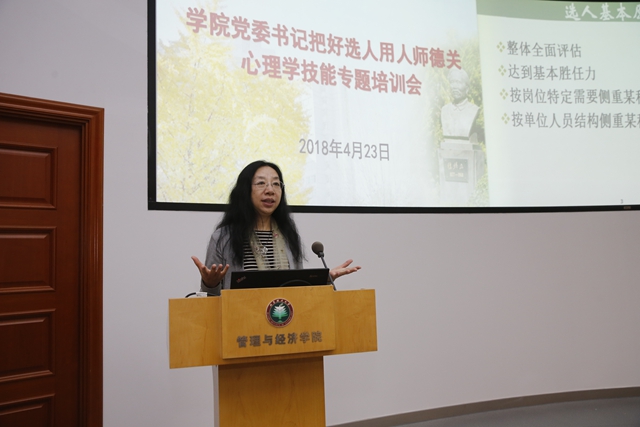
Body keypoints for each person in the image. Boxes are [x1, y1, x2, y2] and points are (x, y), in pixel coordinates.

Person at [191, 160, 360, 295]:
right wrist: (210, 284)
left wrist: (325, 279)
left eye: (276, 184)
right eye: (261, 183)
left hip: (284, 322)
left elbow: (297, 290)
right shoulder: (223, 237)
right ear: (245, 190)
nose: (270, 190)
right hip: (240, 323)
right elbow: (210, 300)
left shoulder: (288, 237)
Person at [440, 67, 480, 140]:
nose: (454, 86)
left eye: (458, 82)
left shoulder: (473, 110)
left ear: (467, 88)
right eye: (452, 82)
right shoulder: (445, 110)